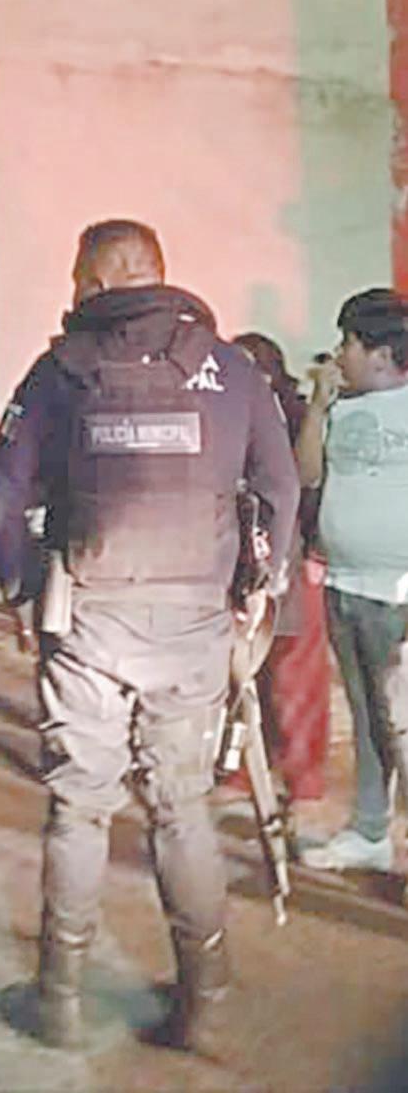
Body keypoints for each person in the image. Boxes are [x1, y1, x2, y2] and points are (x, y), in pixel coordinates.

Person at [0, 220, 299, 1052]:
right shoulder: (229, 367)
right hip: (192, 622)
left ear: (93, 282)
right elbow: (277, 481)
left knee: (77, 809)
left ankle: (58, 998)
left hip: (87, 618)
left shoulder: (57, 372)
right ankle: (206, 999)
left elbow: (4, 491)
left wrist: (19, 588)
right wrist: (257, 586)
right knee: (181, 809)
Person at [297, 288, 408, 873]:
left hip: (399, 593)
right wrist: (318, 408)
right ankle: (369, 831)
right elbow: (306, 474)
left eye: (349, 343)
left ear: (383, 353)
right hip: (344, 583)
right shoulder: (340, 406)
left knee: (403, 724)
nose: (339, 354)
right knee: (366, 717)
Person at [231, 332, 332, 805]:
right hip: (236, 561)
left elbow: (306, 481)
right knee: (239, 672)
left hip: (290, 557)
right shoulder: (220, 418)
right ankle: (242, 768)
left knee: (296, 676)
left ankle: (302, 777)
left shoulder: (294, 416)